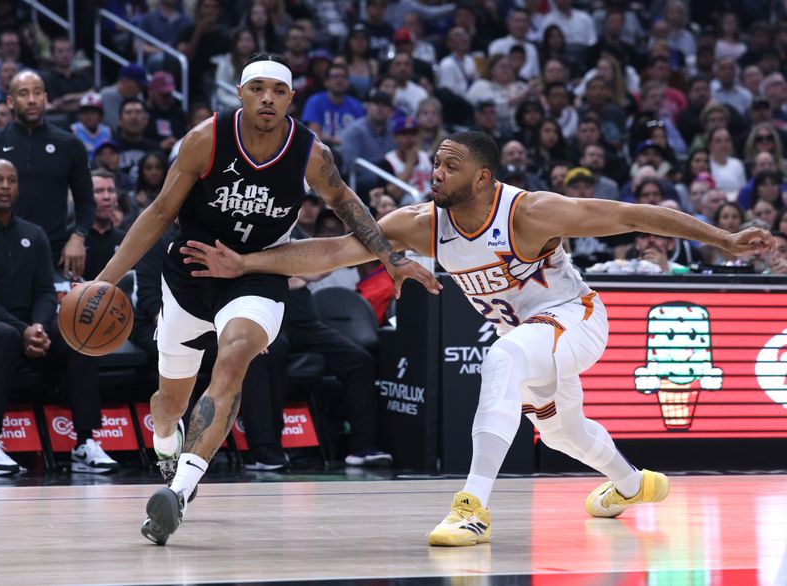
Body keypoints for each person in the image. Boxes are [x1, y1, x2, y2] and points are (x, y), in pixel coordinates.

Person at [181, 131, 773, 546]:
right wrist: (247, 262)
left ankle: (473, 508)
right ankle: (632, 484)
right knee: (563, 432)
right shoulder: (420, 224)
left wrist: (722, 239)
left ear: (483, 177)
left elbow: (634, 214)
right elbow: (333, 251)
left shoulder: (532, 213)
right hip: (533, 335)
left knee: (505, 355)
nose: (435, 173)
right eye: (434, 164)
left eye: (450, 165)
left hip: (579, 319)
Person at [93, 53, 438, 546]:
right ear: (240, 93)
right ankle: (166, 439)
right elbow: (158, 212)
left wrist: (388, 257)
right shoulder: (206, 139)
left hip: (256, 274)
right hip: (190, 272)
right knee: (170, 402)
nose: (268, 98)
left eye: (278, 90)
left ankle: (181, 490)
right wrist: (106, 281)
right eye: (257, 88)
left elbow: (346, 204)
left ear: (291, 98)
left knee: (234, 358)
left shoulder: (309, 153)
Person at [0, 159, 118, 475]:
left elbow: (46, 291)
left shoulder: (34, 234)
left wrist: (40, 327)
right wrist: (24, 330)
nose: (5, 186)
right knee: (3, 335)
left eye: (12, 180)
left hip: (30, 327)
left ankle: (85, 442)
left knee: (79, 336)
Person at [0, 71, 94, 280]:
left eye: (37, 93)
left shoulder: (70, 145)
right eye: (24, 93)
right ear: (10, 101)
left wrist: (79, 236)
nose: (32, 100)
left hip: (53, 255)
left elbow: (86, 202)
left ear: (45, 98)